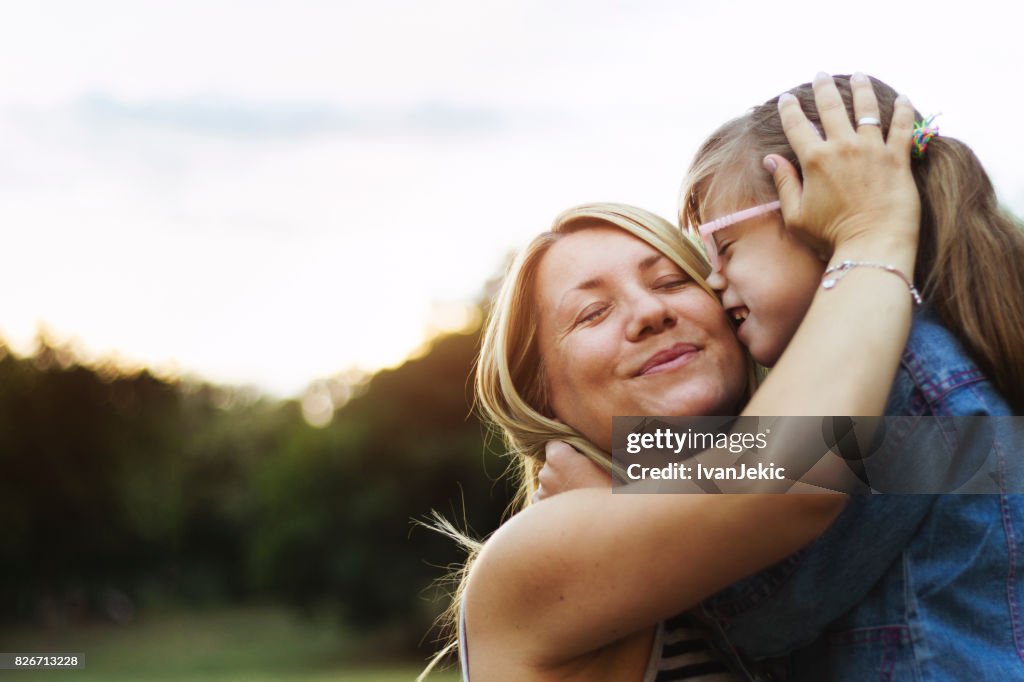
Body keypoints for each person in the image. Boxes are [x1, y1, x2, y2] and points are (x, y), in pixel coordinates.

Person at [420, 76, 924, 681]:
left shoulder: (802, 520)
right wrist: (874, 230)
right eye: (592, 313)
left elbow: (978, 458)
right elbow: (796, 472)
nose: (650, 313)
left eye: (670, 282)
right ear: (541, 394)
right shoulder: (533, 554)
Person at [544, 74, 1024, 680]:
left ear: (823, 216)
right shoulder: (923, 366)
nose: (713, 282)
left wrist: (610, 509)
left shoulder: (910, 390)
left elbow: (758, 606)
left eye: (725, 247)